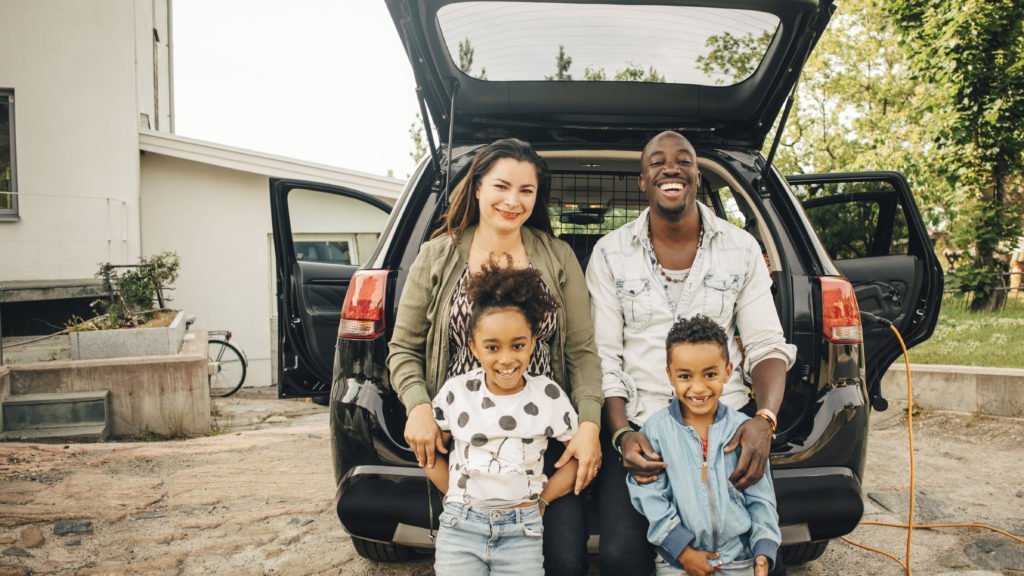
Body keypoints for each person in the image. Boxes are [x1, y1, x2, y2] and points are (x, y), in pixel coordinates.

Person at [387, 138, 603, 575]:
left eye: (526, 190)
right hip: (463, 445)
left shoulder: (557, 257)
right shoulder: (438, 254)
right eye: (502, 186)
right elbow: (403, 348)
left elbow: (582, 352)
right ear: (478, 187)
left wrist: (589, 424)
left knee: (564, 561)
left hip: (541, 441)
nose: (513, 200)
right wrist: (419, 407)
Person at [586, 130, 796, 575]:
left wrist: (764, 420)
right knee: (621, 558)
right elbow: (605, 359)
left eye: (683, 160)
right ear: (643, 180)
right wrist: (622, 435)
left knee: (762, 555)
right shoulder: (609, 253)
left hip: (725, 429)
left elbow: (765, 345)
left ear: (697, 176)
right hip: (643, 428)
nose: (671, 168)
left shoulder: (740, 248)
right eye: (657, 162)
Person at [424, 263, 581, 575]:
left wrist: (544, 500)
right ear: (473, 346)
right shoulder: (457, 392)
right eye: (492, 347)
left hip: (522, 530)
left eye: (518, 345)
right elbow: (430, 452)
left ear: (533, 342)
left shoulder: (548, 395)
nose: (506, 358)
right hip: (460, 526)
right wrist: (456, 494)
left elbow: (578, 457)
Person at [628, 315, 780, 576]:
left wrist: (763, 550)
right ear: (670, 376)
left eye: (710, 374)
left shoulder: (742, 430)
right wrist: (682, 551)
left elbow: (761, 498)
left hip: (739, 560)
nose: (698, 388)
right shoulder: (655, 431)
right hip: (677, 563)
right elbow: (650, 496)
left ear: (728, 372)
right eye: (685, 376)